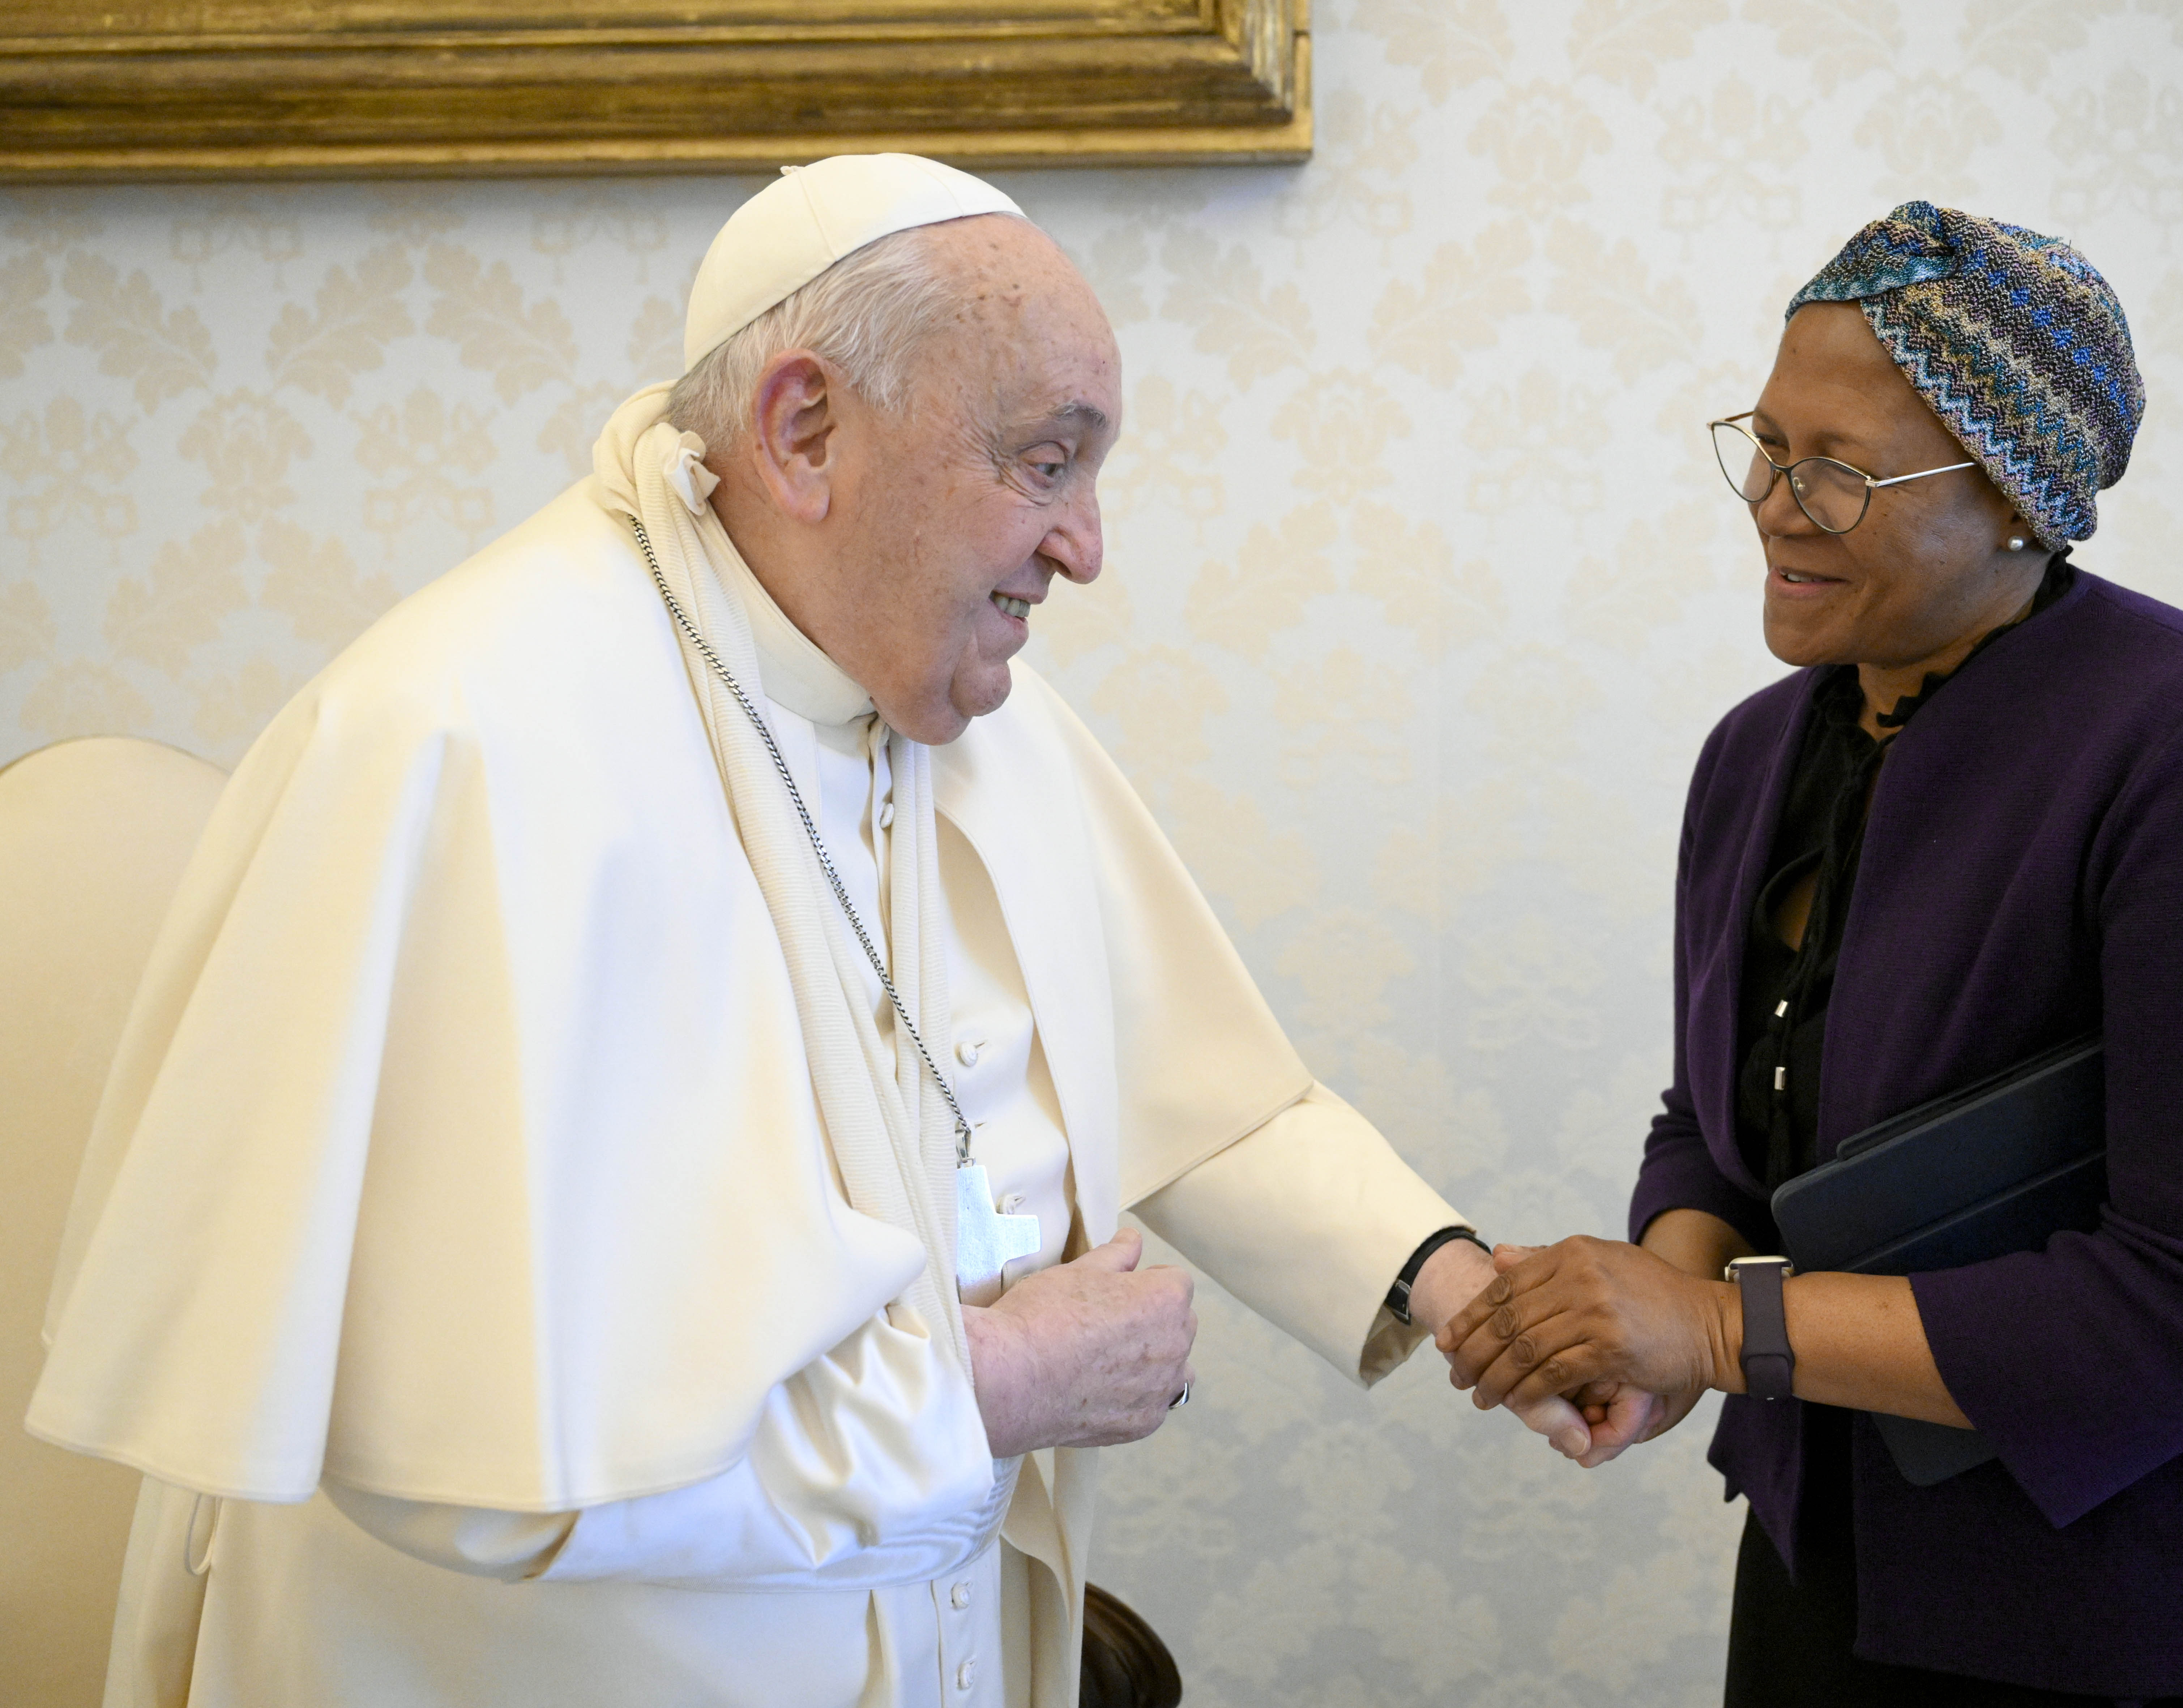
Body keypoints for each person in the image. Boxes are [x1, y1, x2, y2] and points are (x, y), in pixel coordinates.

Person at [27, 154, 1581, 1708]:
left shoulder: (964, 701)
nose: (1087, 547)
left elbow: (1202, 1083)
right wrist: (995, 1383)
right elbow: (468, 1452)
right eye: (1047, 465)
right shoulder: (466, 741)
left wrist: (1458, 1288)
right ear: (804, 431)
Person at [1438, 202, 2183, 1705]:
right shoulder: (1758, 757)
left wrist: (1715, 1325)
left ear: (2019, 494)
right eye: (1762, 438)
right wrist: (1652, 1310)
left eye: (1838, 467)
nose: (1770, 500)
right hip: (1849, 1580)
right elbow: (1725, 1120)